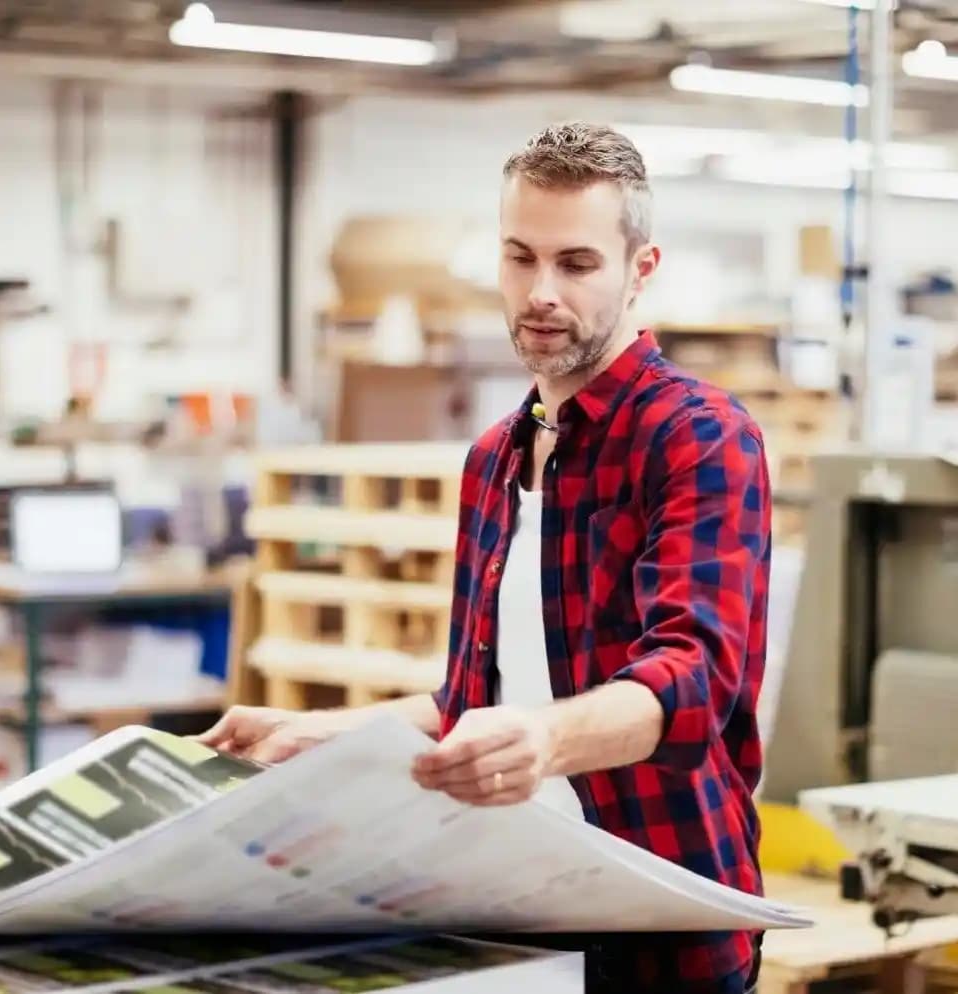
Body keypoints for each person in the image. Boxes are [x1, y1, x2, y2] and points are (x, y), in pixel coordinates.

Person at [200, 121, 773, 993]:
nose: (541, 292)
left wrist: (543, 739)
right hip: (515, 911)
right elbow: (474, 702)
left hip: (658, 920)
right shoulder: (494, 460)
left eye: (577, 264)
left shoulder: (698, 438)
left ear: (639, 269)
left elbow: (693, 685)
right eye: (519, 258)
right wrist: (319, 732)